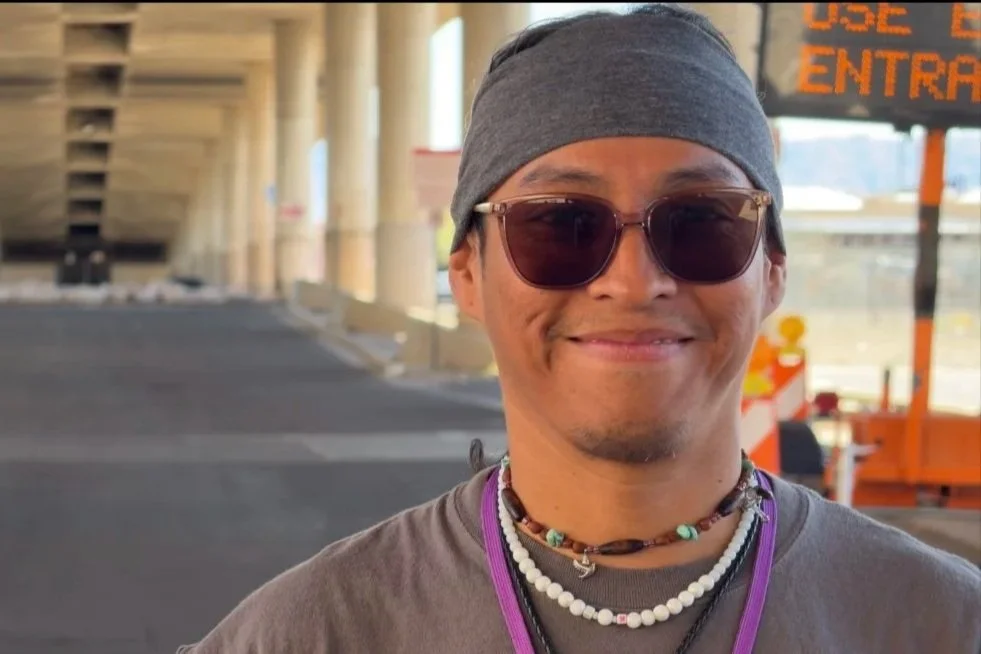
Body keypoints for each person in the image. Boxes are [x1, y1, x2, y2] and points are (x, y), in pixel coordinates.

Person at [178, 4, 981, 653]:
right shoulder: (311, 631)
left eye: (701, 222)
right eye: (559, 225)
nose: (632, 281)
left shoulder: (940, 623)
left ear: (771, 270)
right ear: (467, 274)